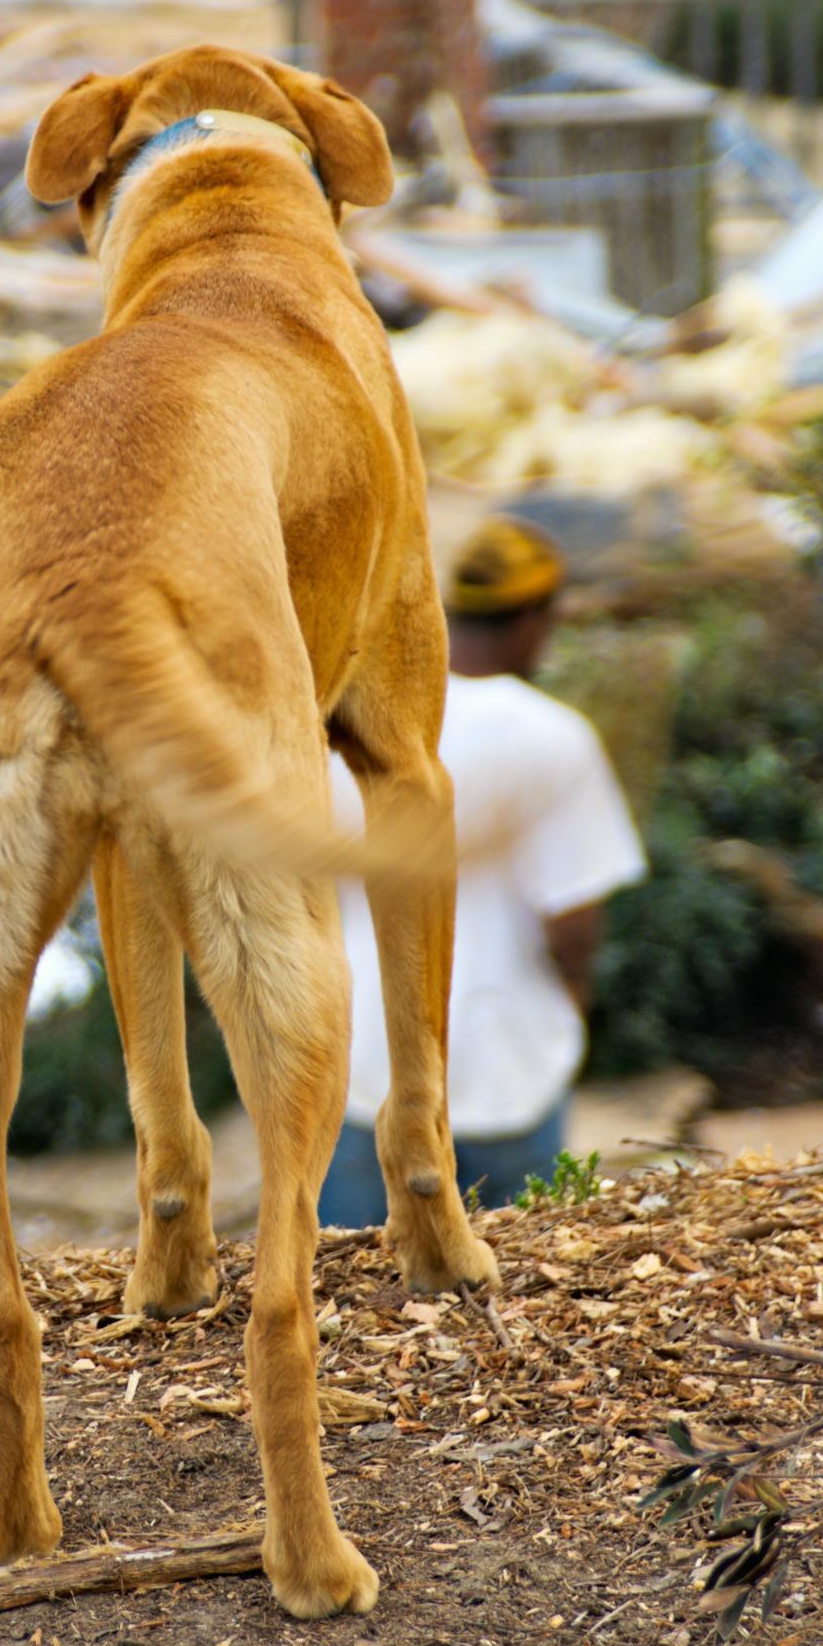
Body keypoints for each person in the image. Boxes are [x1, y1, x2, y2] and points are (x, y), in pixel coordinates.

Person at [319, 516, 646, 1226]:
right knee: (527, 1305)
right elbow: (574, 926)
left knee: (353, 1309)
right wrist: (572, 1012)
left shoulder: (357, 723)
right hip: (509, 1066)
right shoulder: (553, 736)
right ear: (534, 617)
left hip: (359, 1068)